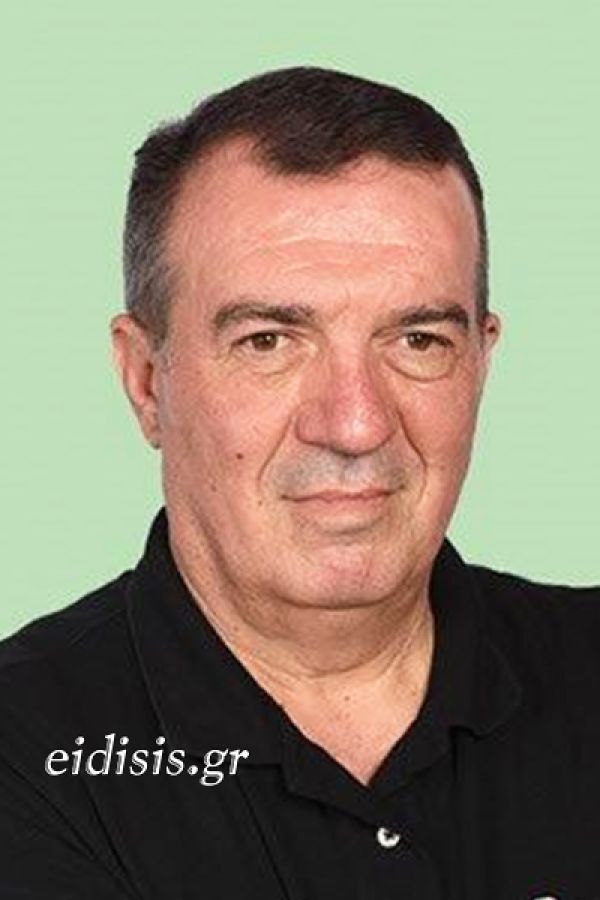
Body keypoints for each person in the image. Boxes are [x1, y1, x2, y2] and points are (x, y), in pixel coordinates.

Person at [1, 66, 598, 900]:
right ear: (146, 380)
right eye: (268, 341)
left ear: (481, 363)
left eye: (419, 341)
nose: (355, 424)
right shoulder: (25, 759)